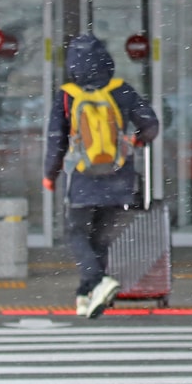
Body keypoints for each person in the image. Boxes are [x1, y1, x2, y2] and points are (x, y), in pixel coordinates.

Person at [44, 34, 160, 318]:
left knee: (75, 233)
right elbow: (151, 125)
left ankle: (98, 282)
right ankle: (86, 296)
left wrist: (50, 173)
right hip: (119, 178)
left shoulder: (67, 95)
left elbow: (56, 139)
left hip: (84, 179)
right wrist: (135, 141)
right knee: (100, 238)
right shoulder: (122, 90)